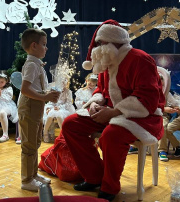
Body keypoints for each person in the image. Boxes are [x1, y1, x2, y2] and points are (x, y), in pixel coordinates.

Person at [61, 19, 165, 201]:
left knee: (111, 135)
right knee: (71, 124)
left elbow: (148, 100)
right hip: (112, 112)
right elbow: (100, 89)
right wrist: (94, 103)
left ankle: (110, 187)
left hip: (143, 116)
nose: (98, 48)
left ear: (115, 42)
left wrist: (113, 112)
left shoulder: (140, 59)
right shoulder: (107, 61)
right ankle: (94, 176)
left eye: (101, 43)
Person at [18, 28, 60, 191]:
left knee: (34, 143)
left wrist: (47, 93)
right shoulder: (31, 65)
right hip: (29, 106)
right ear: (34, 45)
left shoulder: (37, 64)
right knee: (29, 145)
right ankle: (26, 180)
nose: (46, 48)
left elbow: (35, 87)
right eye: (44, 44)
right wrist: (45, 97)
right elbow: (25, 89)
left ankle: (33, 174)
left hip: (35, 106)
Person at [43, 77, 75, 143]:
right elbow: (51, 102)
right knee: (50, 113)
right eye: (61, 83)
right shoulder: (55, 91)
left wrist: (59, 107)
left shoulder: (68, 92)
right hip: (54, 108)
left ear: (67, 83)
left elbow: (68, 103)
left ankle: (63, 134)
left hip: (65, 109)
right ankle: (45, 132)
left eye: (64, 83)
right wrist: (49, 108)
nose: (62, 84)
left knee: (59, 115)